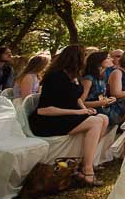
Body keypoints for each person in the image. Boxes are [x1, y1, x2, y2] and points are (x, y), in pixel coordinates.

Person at [29, 44, 110, 186]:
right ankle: (87, 169)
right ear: (76, 58)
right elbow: (44, 110)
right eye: (83, 56)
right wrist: (79, 112)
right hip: (48, 121)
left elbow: (77, 97)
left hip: (66, 117)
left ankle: (82, 162)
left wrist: (85, 109)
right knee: (95, 122)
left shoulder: (74, 76)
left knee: (103, 118)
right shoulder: (55, 77)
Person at [80, 51, 125, 125]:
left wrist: (109, 100)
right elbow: (81, 102)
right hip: (95, 109)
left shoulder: (102, 77)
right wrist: (102, 102)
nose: (112, 60)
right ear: (99, 62)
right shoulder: (88, 79)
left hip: (104, 106)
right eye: (108, 58)